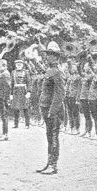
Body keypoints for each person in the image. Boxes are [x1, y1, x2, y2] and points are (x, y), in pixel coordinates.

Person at [36, 41, 65, 175]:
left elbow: (60, 94)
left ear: (56, 57)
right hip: (46, 108)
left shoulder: (57, 72)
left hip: (53, 111)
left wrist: (52, 111)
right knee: (49, 137)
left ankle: (54, 165)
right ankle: (49, 163)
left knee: (53, 137)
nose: (47, 57)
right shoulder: (49, 70)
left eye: (51, 55)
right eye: (47, 55)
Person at [10, 58, 32, 129]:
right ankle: (16, 124)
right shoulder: (13, 72)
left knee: (25, 108)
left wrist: (28, 91)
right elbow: (12, 83)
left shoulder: (26, 72)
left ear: (22, 65)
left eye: (20, 64)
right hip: (16, 91)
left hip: (23, 91)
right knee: (16, 108)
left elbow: (29, 82)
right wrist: (11, 94)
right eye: (17, 64)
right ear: (15, 65)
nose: (19, 65)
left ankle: (27, 124)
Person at [0, 58, 11, 141]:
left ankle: (5, 134)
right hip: (0, 97)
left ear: (3, 66)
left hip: (2, 98)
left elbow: (8, 87)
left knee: (4, 116)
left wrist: (6, 99)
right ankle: (4, 133)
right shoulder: (3, 73)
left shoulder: (5, 74)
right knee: (3, 116)